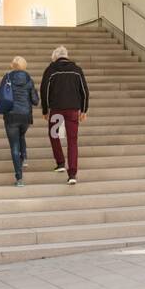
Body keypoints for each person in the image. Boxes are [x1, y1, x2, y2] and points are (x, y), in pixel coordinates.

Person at [39, 45, 89, 185]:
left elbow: (44, 90)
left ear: (55, 57)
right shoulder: (77, 70)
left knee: (55, 135)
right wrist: (84, 110)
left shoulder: (51, 70)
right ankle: (72, 173)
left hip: (57, 110)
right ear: (66, 56)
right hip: (73, 111)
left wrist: (45, 110)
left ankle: (60, 163)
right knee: (72, 141)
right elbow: (84, 91)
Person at [0, 56, 39, 186]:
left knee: (14, 146)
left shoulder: (7, 78)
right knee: (21, 134)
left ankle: (19, 178)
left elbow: (1, 98)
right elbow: (35, 101)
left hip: (11, 116)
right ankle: (24, 157)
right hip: (25, 117)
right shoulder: (29, 79)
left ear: (12, 65)